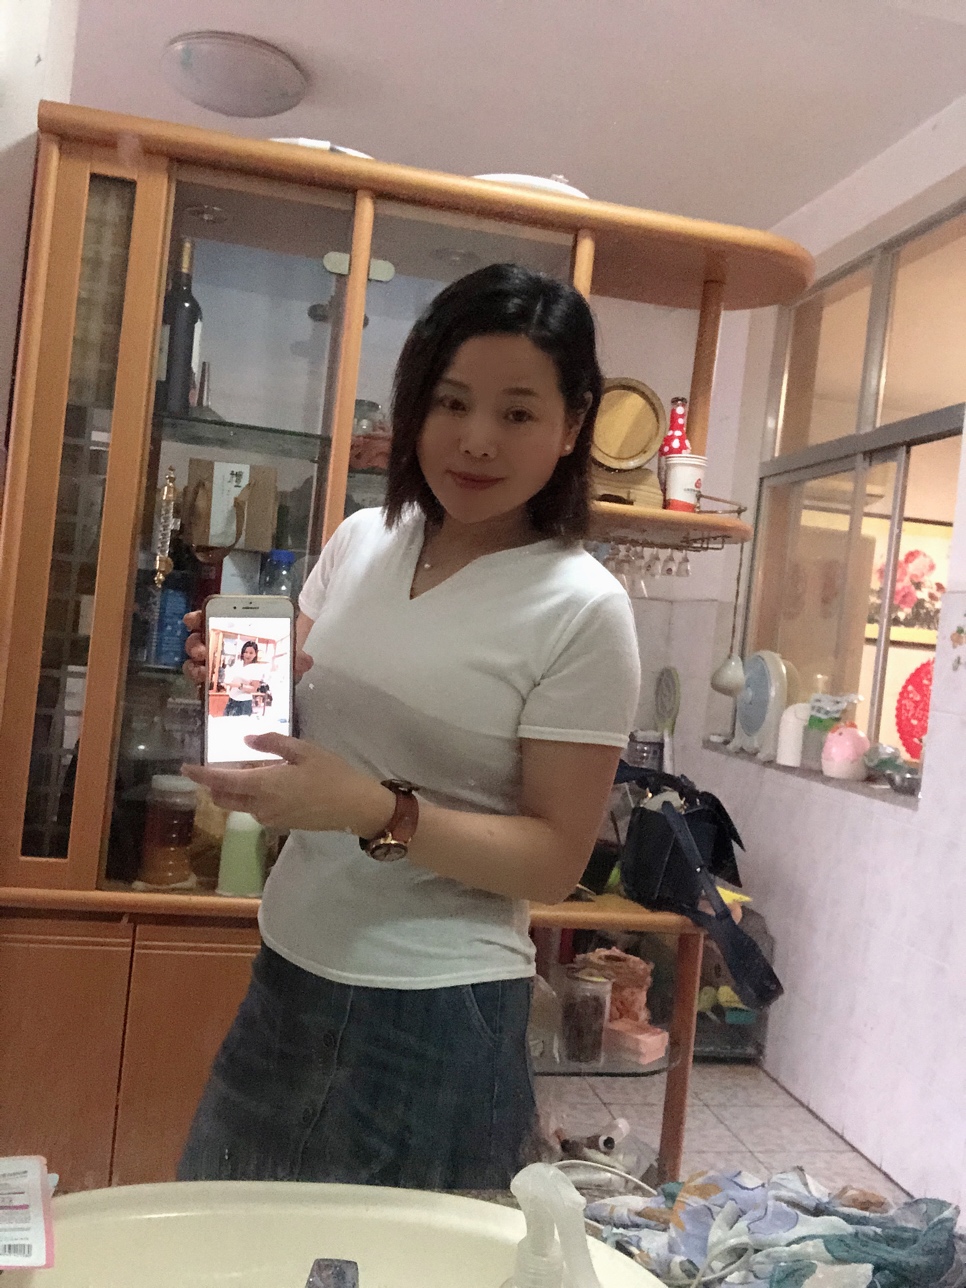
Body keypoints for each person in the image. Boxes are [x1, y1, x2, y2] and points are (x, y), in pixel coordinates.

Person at [178, 263, 641, 1190]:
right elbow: (311, 713)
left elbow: (555, 860)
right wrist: (243, 676)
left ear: (572, 425)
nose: (476, 440)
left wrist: (374, 809)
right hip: (289, 967)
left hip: (438, 1009)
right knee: (226, 1238)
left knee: (397, 1256)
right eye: (450, 402)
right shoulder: (362, 539)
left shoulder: (582, 608)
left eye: (517, 412)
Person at [222, 640, 266, 717]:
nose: (248, 655)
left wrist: (239, 685)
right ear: (242, 653)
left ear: (255, 654)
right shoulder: (238, 664)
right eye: (246, 652)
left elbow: (254, 689)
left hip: (244, 702)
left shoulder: (256, 668)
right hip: (231, 699)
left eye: (251, 653)